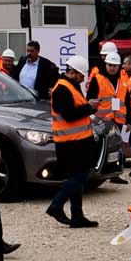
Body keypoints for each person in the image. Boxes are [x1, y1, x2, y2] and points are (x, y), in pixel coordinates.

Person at [45, 56, 99, 228]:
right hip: (70, 143)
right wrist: (89, 106)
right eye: (81, 75)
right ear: (73, 72)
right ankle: (57, 204)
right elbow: (69, 115)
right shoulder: (62, 88)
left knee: (78, 177)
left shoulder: (70, 86)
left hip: (77, 141)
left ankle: (77, 216)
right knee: (79, 176)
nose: (83, 78)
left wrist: (89, 107)